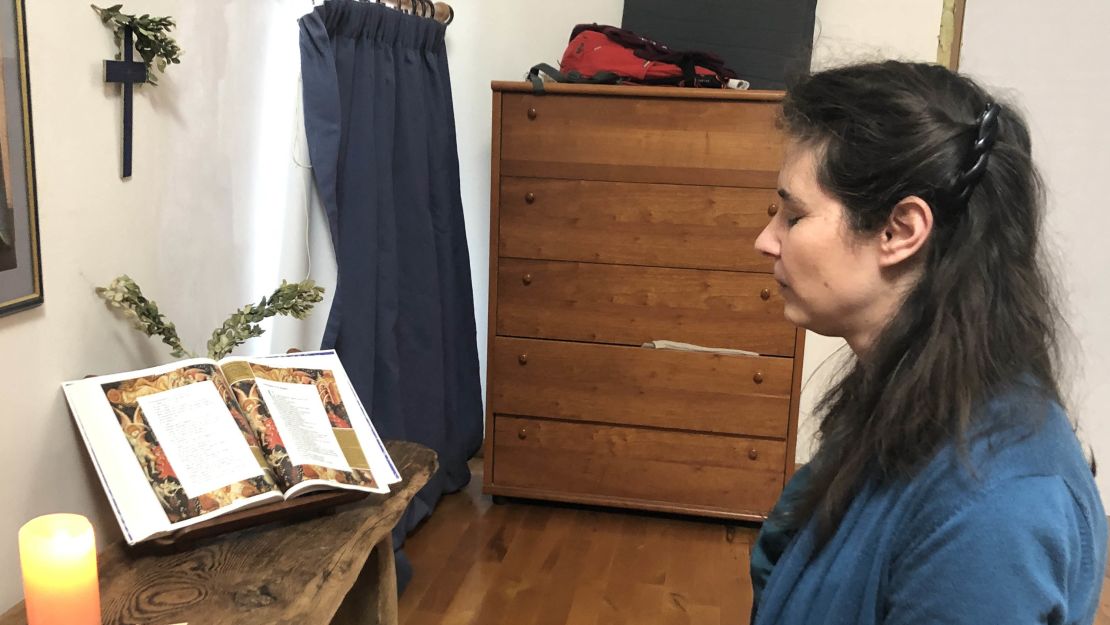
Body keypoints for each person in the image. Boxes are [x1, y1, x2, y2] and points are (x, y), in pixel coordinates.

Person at [748, 60, 1107, 625]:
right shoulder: (907, 385)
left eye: (793, 215)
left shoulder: (993, 510)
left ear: (899, 231)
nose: (765, 241)